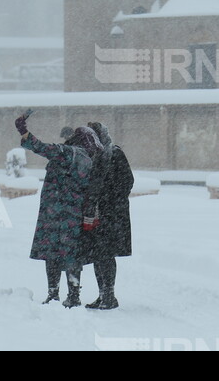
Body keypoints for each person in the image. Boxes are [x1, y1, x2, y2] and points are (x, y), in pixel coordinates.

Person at [15, 113, 103, 308]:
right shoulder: (87, 160)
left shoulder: (68, 152)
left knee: (52, 252)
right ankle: (73, 295)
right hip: (74, 213)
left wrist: (24, 132)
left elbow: (42, 148)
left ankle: (53, 294)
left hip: (55, 212)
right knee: (71, 254)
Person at [81, 122, 134, 310]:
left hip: (112, 214)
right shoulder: (91, 155)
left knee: (106, 254)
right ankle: (103, 294)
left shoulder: (114, 153)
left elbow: (127, 181)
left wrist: (109, 198)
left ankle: (109, 295)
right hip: (96, 213)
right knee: (98, 254)